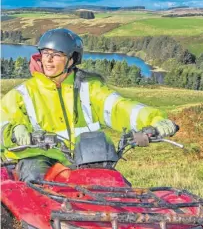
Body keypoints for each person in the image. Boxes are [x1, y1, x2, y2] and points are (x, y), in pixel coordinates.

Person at [0, 28, 178, 182]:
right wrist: (15, 131)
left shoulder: (89, 88)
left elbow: (120, 107)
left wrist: (156, 120)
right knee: (36, 187)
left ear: (71, 59)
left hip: (87, 158)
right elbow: (3, 124)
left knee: (117, 190)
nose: (48, 60)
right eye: (45, 53)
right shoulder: (22, 94)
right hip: (40, 159)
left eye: (56, 55)